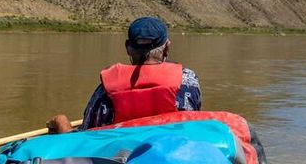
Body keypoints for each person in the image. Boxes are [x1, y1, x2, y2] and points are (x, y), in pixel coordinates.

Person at [47, 17, 202, 133]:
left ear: (128, 48)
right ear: (167, 47)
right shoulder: (188, 80)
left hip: (120, 157)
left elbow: (85, 140)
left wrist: (63, 125)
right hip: (172, 154)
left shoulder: (106, 90)